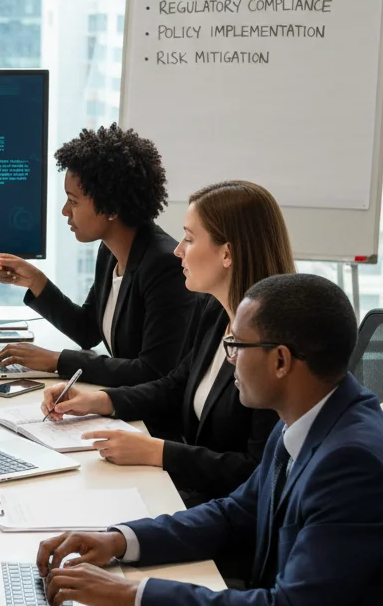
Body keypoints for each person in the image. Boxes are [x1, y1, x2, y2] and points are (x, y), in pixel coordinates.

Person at [36, 273, 383, 606]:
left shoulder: (350, 458)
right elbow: (233, 514)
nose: (227, 359)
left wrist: (133, 596)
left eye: (236, 345)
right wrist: (119, 540)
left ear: (282, 360)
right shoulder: (306, 419)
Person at [40, 180, 295, 505]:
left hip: (224, 513)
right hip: (195, 494)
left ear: (227, 254)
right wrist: (98, 401)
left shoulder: (272, 348)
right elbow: (175, 385)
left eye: (189, 239)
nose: (178, 250)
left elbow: (256, 472)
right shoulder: (215, 310)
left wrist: (159, 453)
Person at [0, 125, 195, 413]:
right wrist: (36, 281)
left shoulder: (163, 265)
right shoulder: (110, 251)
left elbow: (152, 371)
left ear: (111, 207)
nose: (64, 211)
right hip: (123, 407)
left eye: (73, 201)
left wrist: (56, 360)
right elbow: (88, 330)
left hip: (149, 421)